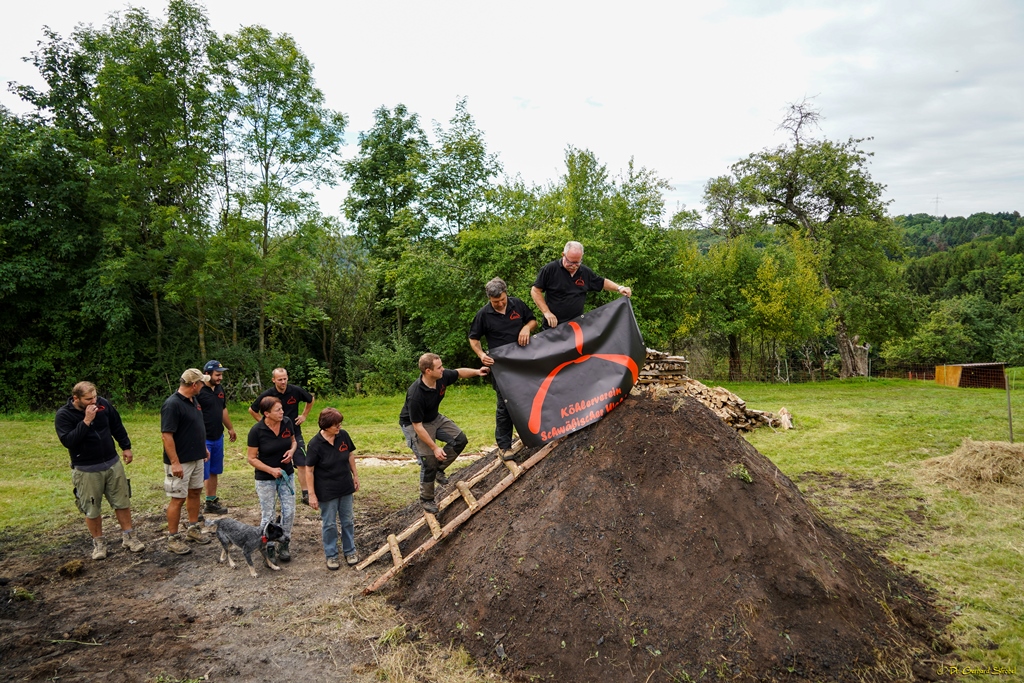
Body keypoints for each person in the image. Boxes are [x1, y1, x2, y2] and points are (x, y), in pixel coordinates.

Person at [54, 381, 146, 560]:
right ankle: (99, 543)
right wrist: (86, 420)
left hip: (112, 463)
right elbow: (69, 441)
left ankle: (129, 537)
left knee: (122, 500)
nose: (93, 401)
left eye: (95, 396)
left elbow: (117, 426)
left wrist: (126, 446)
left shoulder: (103, 405)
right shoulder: (64, 415)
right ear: (76, 398)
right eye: (88, 399)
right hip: (86, 469)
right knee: (92, 508)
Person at [399, 353, 489, 513]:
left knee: (460, 440)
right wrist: (434, 448)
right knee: (429, 462)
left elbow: (459, 372)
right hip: (415, 425)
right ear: (428, 371)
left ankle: (439, 468)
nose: (443, 369)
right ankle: (427, 499)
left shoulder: (441, 377)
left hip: (435, 418)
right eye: (439, 367)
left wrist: (477, 371)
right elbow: (418, 426)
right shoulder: (416, 395)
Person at [469, 277, 537, 460]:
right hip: (502, 366)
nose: (499, 304)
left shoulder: (518, 305)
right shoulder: (483, 314)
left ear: (506, 294)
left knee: (532, 397)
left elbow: (533, 321)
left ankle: (534, 434)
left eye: (502, 300)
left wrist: (526, 328)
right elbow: (473, 338)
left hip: (524, 361)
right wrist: (482, 355)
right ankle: (504, 446)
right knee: (505, 405)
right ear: (489, 299)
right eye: (495, 302)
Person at [161, 369, 214, 555]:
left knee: (195, 492)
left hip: (196, 457)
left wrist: (203, 449)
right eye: (201, 383)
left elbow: (196, 426)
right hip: (180, 461)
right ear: (194, 385)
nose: (203, 385)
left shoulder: (194, 400)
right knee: (178, 498)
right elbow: (167, 436)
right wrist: (175, 462)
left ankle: (193, 529)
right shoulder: (172, 405)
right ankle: (173, 538)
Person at [530, 240, 632, 329]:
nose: (574, 266)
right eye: (570, 262)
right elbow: (535, 290)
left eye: (577, 262)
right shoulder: (550, 269)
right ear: (563, 255)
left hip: (576, 326)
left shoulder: (585, 272)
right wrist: (546, 312)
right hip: (553, 326)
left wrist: (619, 288)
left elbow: (601, 282)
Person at [249, 368, 314, 506]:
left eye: (285, 378)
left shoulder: (295, 391)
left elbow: (310, 399)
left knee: (302, 461)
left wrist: (304, 415)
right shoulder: (268, 396)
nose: (283, 381)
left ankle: (305, 493)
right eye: (280, 379)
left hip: (293, 432)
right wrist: (265, 424)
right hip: (273, 436)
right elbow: (252, 409)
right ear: (273, 380)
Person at [306, 407, 360, 570]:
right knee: (329, 524)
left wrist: (355, 476)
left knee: (348, 521)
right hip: (326, 491)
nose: (339, 427)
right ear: (326, 425)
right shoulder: (315, 444)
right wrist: (312, 494)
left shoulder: (343, 436)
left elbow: (350, 454)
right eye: (336, 424)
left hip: (345, 486)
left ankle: (350, 550)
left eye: (340, 424)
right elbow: (309, 469)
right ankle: (331, 555)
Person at [247, 396, 298, 562]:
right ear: (266, 413)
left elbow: (293, 441)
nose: (282, 412)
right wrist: (270, 470)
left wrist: (291, 452)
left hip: (287, 474)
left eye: (282, 408)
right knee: (268, 514)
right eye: (278, 410)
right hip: (265, 478)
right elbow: (252, 458)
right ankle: (268, 546)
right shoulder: (256, 431)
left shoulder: (287, 422)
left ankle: (284, 543)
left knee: (289, 511)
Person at [197, 360, 237, 515]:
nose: (220, 378)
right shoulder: (198, 391)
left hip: (217, 437)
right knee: (200, 473)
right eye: (217, 375)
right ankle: (194, 507)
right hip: (203, 438)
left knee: (214, 470)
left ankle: (211, 501)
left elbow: (223, 409)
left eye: (221, 375)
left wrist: (230, 428)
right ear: (207, 374)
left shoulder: (219, 389)